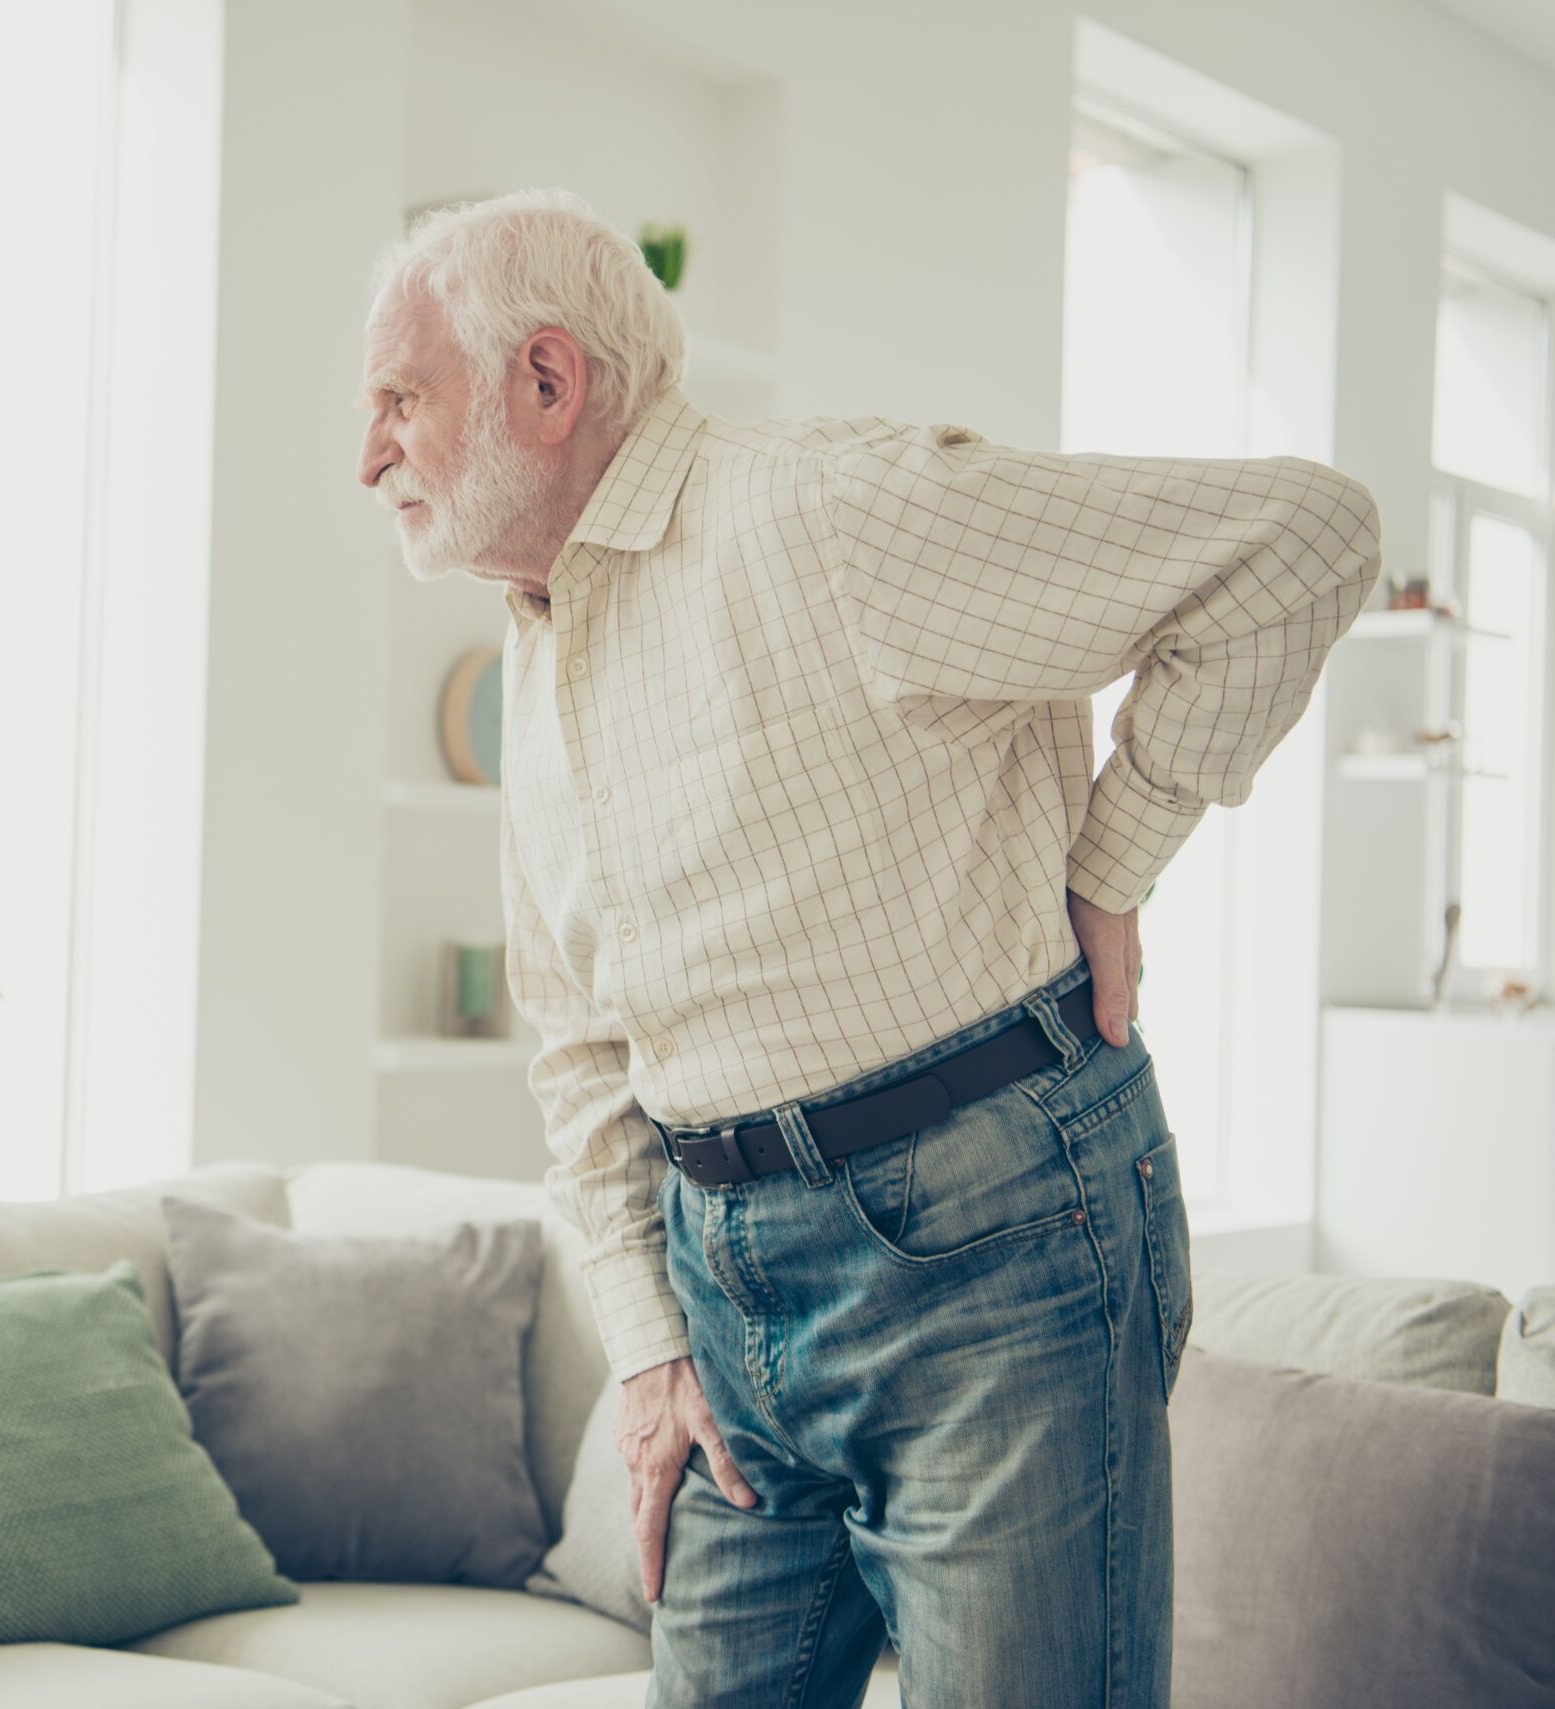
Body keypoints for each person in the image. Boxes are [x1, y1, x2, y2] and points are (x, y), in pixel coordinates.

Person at [352, 187, 1382, 1709]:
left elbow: (1304, 542)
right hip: (727, 1302)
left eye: (398, 400)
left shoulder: (828, 515)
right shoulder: (541, 629)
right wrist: (651, 1350)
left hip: (1000, 1255)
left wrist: (1114, 860)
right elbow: (577, 1042)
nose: (367, 456)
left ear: (547, 383)